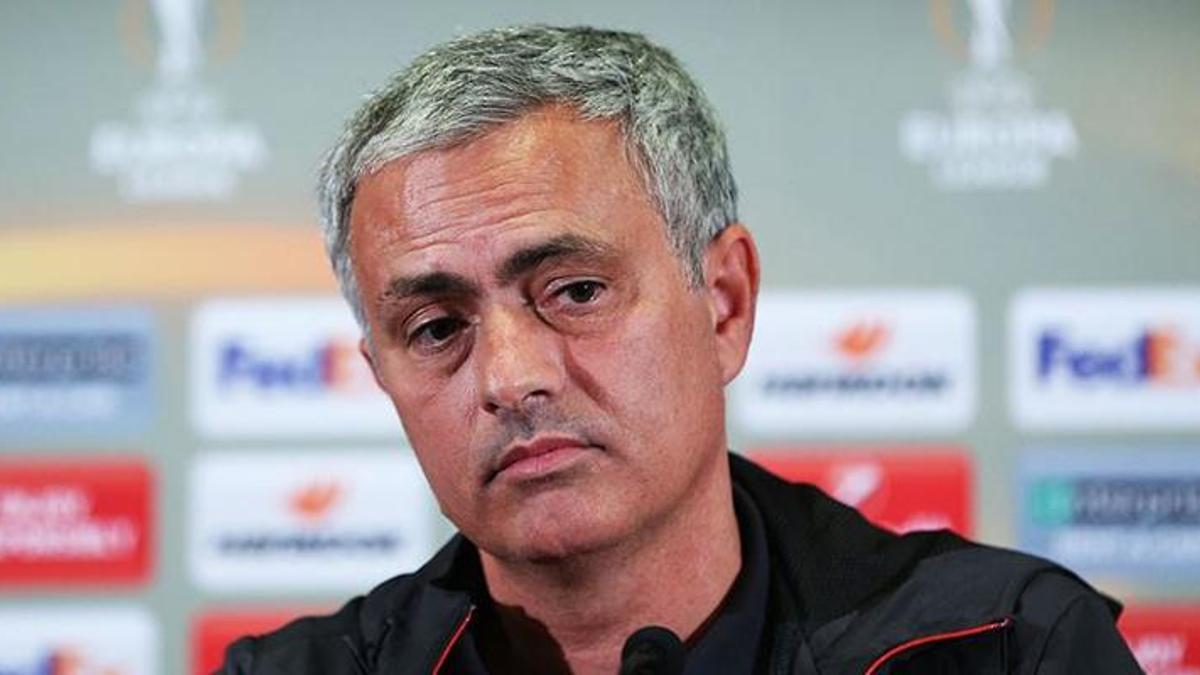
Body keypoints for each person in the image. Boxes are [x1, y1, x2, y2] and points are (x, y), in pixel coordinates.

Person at [220, 25, 1141, 674]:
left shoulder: (1009, 647)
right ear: (382, 375)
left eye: (575, 291)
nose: (510, 377)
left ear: (725, 304)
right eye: (436, 328)